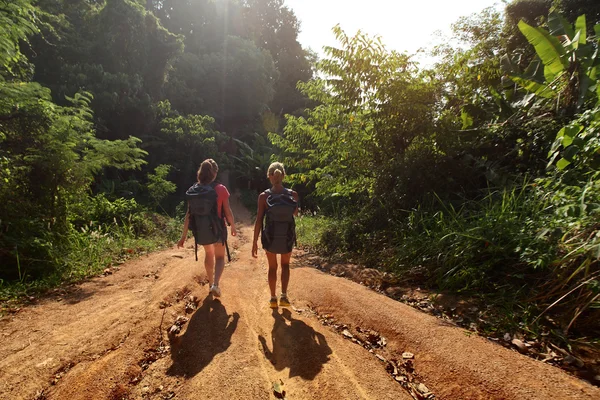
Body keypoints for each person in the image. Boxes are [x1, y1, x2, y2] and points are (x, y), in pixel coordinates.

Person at [178, 159, 236, 297]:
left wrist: (183, 236)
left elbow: (188, 215)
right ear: (215, 173)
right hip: (218, 230)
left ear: (200, 173)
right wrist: (232, 225)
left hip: (202, 231)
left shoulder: (194, 190)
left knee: (209, 254)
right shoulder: (221, 189)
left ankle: (210, 284)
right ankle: (216, 285)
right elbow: (227, 211)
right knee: (220, 257)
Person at [252, 162, 299, 309]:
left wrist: (254, 241)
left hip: (270, 237)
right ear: (283, 175)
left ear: (269, 176)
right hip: (287, 235)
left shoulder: (264, 196)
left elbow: (259, 220)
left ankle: (273, 299)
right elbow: (295, 213)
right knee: (285, 265)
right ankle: (284, 296)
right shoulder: (293, 195)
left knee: (272, 267)